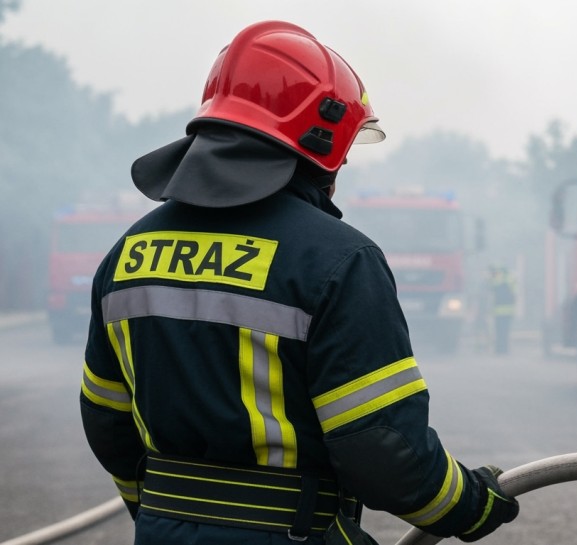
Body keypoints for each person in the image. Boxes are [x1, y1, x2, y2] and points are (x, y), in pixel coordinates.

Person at [79, 21, 517, 545]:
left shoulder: (128, 254)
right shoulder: (339, 260)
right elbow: (381, 449)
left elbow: (106, 421)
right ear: (320, 137)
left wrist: (165, 512)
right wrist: (471, 506)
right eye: (345, 145)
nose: (346, 160)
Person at [489, 266, 516, 355]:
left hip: (498, 311)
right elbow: (515, 293)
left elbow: (491, 286)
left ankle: (499, 349)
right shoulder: (511, 279)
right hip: (508, 310)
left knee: (499, 331)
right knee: (505, 331)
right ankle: (504, 349)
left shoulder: (498, 278)